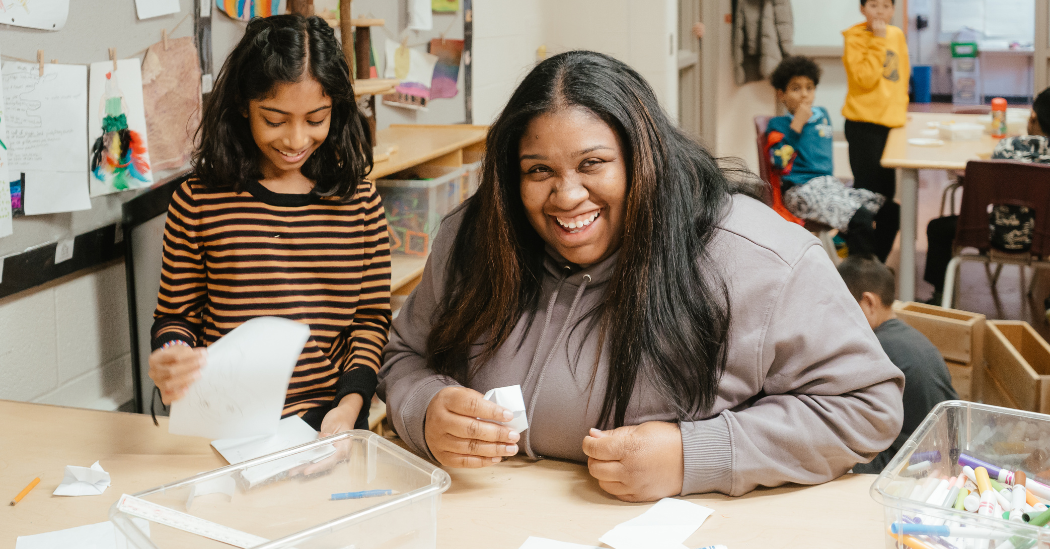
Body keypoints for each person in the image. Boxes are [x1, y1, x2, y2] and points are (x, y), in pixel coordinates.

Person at [378, 50, 905, 502]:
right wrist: (423, 409)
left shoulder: (759, 256)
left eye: (592, 164)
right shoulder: (478, 235)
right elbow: (403, 354)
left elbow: (867, 408)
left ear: (643, 158)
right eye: (538, 171)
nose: (566, 197)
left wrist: (693, 456)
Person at [148, 14, 390, 437]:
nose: (296, 140)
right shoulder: (198, 201)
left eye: (316, 119)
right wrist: (172, 354)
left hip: (330, 420)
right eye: (275, 120)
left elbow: (369, 322)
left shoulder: (361, 203)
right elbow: (177, 317)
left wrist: (349, 408)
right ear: (243, 104)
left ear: (337, 108)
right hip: (225, 421)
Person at [922, 87, 1050, 304]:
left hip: (993, 234)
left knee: (937, 228)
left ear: (1033, 118)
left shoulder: (1007, 146)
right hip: (1045, 238)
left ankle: (939, 297)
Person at [837, 257, 957, 473]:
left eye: (843, 307)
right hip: (946, 454)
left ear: (869, 302)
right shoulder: (911, 338)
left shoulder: (876, 350)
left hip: (912, 464)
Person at [766, 55, 882, 258]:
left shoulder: (823, 114)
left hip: (829, 186)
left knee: (888, 210)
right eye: (795, 88)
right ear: (780, 95)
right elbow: (778, 163)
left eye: (809, 88)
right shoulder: (778, 125)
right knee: (860, 218)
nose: (804, 95)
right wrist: (796, 127)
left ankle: (872, 265)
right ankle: (857, 279)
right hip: (800, 191)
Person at [842, 0, 909, 262]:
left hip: (890, 125)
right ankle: (860, 260)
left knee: (888, 198)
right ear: (862, 9)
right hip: (863, 125)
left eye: (885, 5)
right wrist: (878, 41)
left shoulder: (897, 34)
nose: (879, 11)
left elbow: (901, 75)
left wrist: (903, 110)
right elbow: (864, 79)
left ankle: (876, 262)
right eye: (873, 4)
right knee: (867, 196)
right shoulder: (855, 37)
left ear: (893, 9)